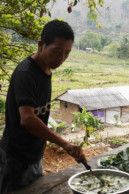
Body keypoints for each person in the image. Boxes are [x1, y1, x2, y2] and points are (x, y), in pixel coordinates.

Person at [0, 20, 87, 193]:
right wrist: (65, 144)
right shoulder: (26, 73)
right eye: (57, 52)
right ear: (41, 45)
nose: (62, 59)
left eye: (67, 53)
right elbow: (28, 119)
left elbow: (40, 114)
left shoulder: (46, 70)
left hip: (34, 157)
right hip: (16, 159)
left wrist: (43, 141)